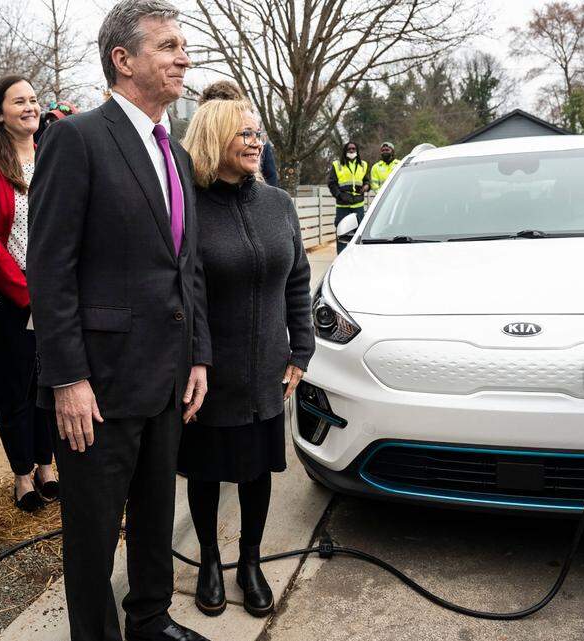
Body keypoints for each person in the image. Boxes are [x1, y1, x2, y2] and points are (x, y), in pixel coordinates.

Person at [27, 0, 213, 639]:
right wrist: (67, 378)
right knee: (94, 530)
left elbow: (187, 266)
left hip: (167, 377)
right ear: (123, 59)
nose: (184, 58)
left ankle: (151, 620)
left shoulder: (176, 155)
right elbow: (49, 268)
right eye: (169, 46)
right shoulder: (76, 139)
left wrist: (198, 354)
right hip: (99, 384)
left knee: (157, 513)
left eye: (184, 46)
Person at [179, 99, 313, 619]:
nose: (257, 143)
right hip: (209, 369)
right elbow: (184, 291)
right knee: (206, 470)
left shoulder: (278, 203)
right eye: (245, 134)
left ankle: (250, 562)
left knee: (258, 471)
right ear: (215, 139)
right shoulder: (189, 206)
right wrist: (197, 357)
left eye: (259, 134)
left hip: (267, 369)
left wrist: (301, 347)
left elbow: (298, 279)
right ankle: (210, 561)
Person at [0, 75, 61, 514]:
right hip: (11, 296)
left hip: (55, 290)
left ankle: (47, 464)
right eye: (18, 101)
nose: (30, 107)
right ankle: (22, 473)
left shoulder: (53, 159)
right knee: (15, 385)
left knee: (50, 381)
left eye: (34, 99)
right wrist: (27, 293)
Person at [196, 80, 279, 187]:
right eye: (246, 134)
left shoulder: (274, 196)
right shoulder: (187, 190)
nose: (257, 143)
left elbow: (271, 180)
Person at [327, 140, 369, 253]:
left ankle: (358, 255)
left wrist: (366, 186)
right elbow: (331, 183)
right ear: (345, 151)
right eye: (349, 149)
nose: (351, 150)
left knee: (359, 232)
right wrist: (339, 195)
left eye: (353, 149)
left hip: (358, 205)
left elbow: (366, 180)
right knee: (342, 233)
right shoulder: (337, 165)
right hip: (343, 205)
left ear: (357, 151)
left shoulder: (363, 165)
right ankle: (341, 256)